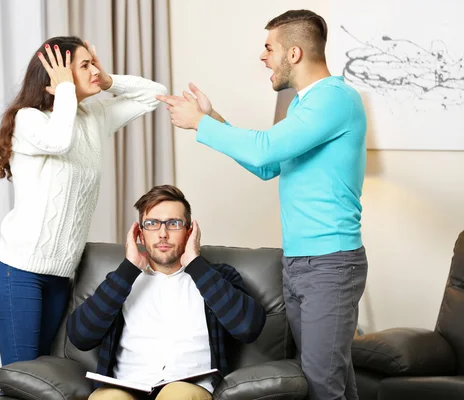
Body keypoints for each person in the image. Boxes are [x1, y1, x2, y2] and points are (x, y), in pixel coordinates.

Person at [156, 10, 368, 400]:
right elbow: (267, 163)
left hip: (330, 264)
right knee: (332, 383)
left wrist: (200, 124)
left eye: (269, 47)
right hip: (301, 263)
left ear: (294, 53)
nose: (262, 56)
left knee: (324, 386)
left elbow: (265, 148)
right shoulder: (304, 107)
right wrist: (211, 117)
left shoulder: (334, 99)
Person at [0, 36, 167, 369]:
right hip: (20, 271)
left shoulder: (93, 116)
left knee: (43, 380)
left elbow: (154, 93)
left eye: (93, 63)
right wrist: (67, 90)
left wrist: (109, 79)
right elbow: (59, 140)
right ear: (58, 77)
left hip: (60, 274)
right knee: (20, 380)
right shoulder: (30, 120)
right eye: (85, 65)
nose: (94, 71)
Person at [67, 185, 266, 400]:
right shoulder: (120, 281)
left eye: (174, 224)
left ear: (189, 232)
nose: (163, 234)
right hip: (126, 387)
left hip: (189, 388)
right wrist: (129, 268)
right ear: (140, 234)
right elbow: (80, 336)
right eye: (152, 224)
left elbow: (248, 327)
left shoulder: (219, 276)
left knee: (176, 395)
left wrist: (195, 264)